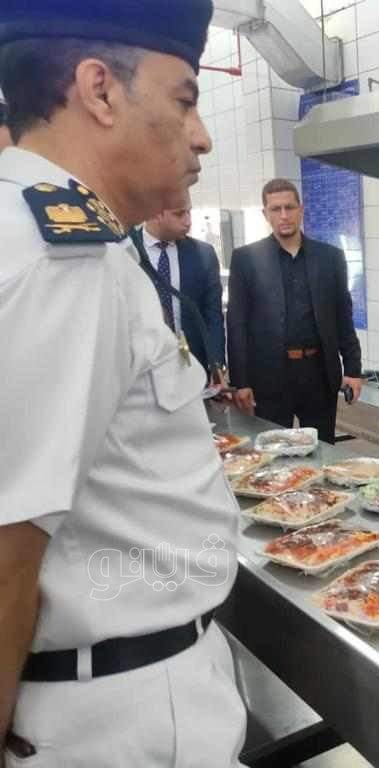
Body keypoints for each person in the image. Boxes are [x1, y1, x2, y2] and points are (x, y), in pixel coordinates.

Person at [0, 0, 247, 765]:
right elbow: (7, 548)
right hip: (119, 720)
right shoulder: (61, 259)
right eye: (185, 99)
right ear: (100, 90)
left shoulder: (45, 231)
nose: (201, 135)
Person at [227, 178, 362, 443]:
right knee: (273, 453)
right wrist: (240, 382)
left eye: (289, 207)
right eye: (275, 209)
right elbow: (236, 323)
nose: (284, 215)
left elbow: (343, 316)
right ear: (265, 214)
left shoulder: (330, 258)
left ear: (301, 209)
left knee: (323, 448)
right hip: (269, 376)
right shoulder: (246, 259)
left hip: (318, 372)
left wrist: (353, 369)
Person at [130, 198, 226, 376]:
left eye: (189, 212)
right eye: (180, 214)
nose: (188, 221)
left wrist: (217, 365)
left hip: (192, 367)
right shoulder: (126, 251)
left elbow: (213, 315)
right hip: (141, 370)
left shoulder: (203, 254)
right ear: (154, 213)